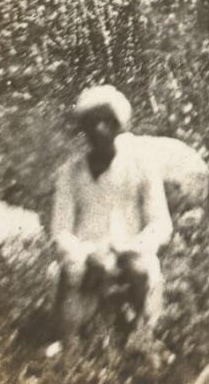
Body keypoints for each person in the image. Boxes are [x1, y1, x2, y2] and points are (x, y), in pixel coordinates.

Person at [48, 85, 172, 351]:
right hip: (86, 254)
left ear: (119, 126)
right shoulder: (70, 173)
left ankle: (140, 336)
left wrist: (133, 247)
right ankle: (74, 340)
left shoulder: (142, 165)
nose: (100, 129)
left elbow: (160, 224)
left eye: (108, 121)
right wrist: (83, 253)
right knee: (82, 271)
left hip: (129, 249)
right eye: (92, 122)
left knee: (141, 269)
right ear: (83, 128)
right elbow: (60, 230)